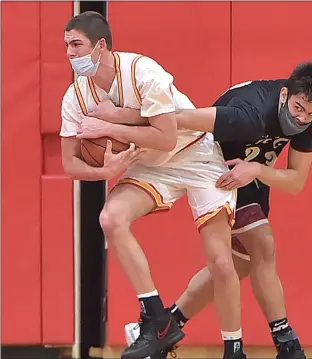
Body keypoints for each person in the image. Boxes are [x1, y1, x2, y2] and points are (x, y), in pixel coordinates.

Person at [111, 62, 312, 359]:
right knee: (262, 245)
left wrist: (256, 169)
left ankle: (168, 325)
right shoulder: (251, 110)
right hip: (212, 162)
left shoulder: (309, 115)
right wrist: (120, 122)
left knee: (239, 263)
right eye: (298, 108)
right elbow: (180, 118)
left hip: (247, 172)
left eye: (311, 113)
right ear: (284, 94)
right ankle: (287, 345)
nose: (302, 118)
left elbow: (296, 181)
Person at [60, 11, 245, 359]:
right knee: (110, 219)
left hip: (195, 154)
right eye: (66, 46)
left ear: (100, 46)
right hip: (149, 166)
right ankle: (156, 318)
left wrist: (111, 128)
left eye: (76, 44)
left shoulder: (143, 71)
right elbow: (70, 162)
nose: (70, 53)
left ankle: (234, 349)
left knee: (221, 263)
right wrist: (105, 170)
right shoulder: (76, 97)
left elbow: (166, 136)